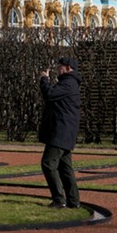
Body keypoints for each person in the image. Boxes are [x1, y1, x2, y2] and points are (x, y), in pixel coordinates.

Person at [39, 56, 82, 209]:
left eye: (60, 66)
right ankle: (73, 200)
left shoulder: (68, 83)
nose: (58, 68)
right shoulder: (70, 83)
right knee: (65, 167)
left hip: (61, 131)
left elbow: (49, 95)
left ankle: (59, 199)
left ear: (68, 68)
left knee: (48, 163)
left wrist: (44, 80)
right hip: (66, 131)